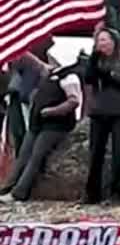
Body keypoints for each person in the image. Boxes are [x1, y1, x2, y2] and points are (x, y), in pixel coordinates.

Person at [0, 51, 81, 202]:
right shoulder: (48, 75)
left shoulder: (70, 76)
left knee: (36, 157)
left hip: (55, 125)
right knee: (23, 155)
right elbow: (33, 61)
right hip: (37, 123)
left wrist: (53, 111)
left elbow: (73, 101)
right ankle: (6, 188)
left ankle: (19, 193)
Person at [82, 28, 120, 204]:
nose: (102, 44)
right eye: (99, 41)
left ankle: (117, 194)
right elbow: (88, 79)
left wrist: (110, 74)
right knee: (95, 153)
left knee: (118, 153)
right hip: (99, 111)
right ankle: (92, 193)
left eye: (105, 40)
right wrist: (92, 61)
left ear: (114, 41)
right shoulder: (96, 61)